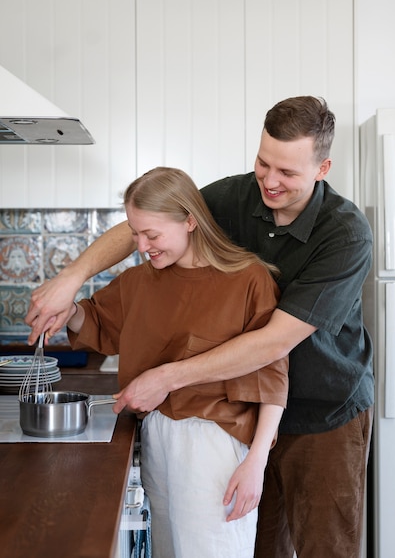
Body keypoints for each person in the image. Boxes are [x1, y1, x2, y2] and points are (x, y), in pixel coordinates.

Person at [26, 96, 374, 558]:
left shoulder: (344, 234)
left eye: (287, 173)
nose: (269, 182)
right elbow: (150, 219)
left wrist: (166, 376)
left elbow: (273, 343)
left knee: (324, 547)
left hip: (324, 412)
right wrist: (70, 281)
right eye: (262, 163)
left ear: (322, 168)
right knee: (257, 545)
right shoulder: (232, 198)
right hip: (242, 417)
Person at [65, 166, 288, 558]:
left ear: (190, 220)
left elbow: (273, 376)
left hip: (213, 445)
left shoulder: (248, 280)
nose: (141, 245)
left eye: (151, 234)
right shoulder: (140, 282)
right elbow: (98, 324)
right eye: (135, 233)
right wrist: (62, 307)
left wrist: (257, 461)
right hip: (155, 436)